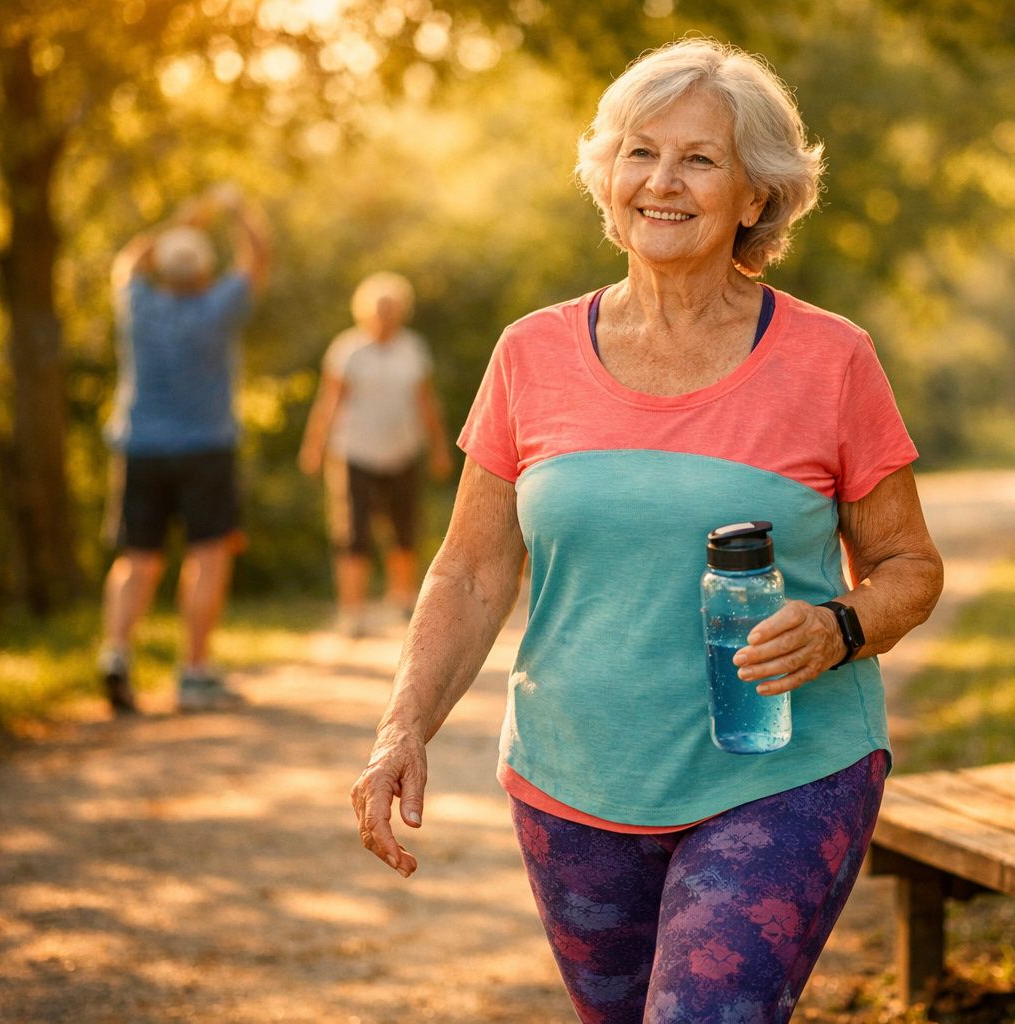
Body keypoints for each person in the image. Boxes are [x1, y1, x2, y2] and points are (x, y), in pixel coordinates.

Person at [349, 39, 942, 1022]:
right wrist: (401, 726)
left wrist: (840, 626)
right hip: (573, 783)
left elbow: (908, 565)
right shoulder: (529, 354)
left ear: (756, 196)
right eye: (640, 152)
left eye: (699, 159)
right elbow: (471, 572)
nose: (662, 181)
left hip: (783, 776)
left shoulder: (832, 360)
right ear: (606, 175)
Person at [96, 183, 271, 714]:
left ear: (165, 271)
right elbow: (257, 259)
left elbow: (127, 262)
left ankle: (115, 653)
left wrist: (179, 223)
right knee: (208, 557)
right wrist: (236, 209)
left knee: (137, 559)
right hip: (206, 449)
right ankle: (193, 673)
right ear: (204, 272)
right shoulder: (217, 308)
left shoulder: (138, 305)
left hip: (140, 447)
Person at [298, 272, 455, 636]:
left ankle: (402, 600)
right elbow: (328, 402)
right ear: (365, 311)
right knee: (353, 531)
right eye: (380, 309)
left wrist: (439, 448)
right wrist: (314, 446)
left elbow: (427, 402)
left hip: (403, 450)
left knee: (405, 527)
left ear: (402, 312)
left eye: (392, 309)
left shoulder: (413, 348)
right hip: (355, 452)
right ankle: (352, 611)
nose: (385, 316)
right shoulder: (347, 349)